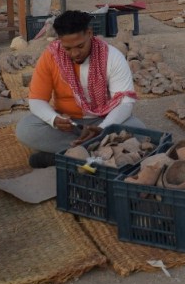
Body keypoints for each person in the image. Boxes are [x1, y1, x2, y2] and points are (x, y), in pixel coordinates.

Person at [15, 10, 144, 168]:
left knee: (139, 131)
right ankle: (96, 154)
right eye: (68, 48)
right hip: (69, 125)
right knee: (26, 129)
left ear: (89, 33)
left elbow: (125, 103)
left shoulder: (112, 56)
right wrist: (53, 119)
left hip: (104, 122)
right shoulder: (50, 57)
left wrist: (101, 129)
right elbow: (36, 100)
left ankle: (64, 157)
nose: (75, 53)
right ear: (60, 41)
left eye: (80, 46)